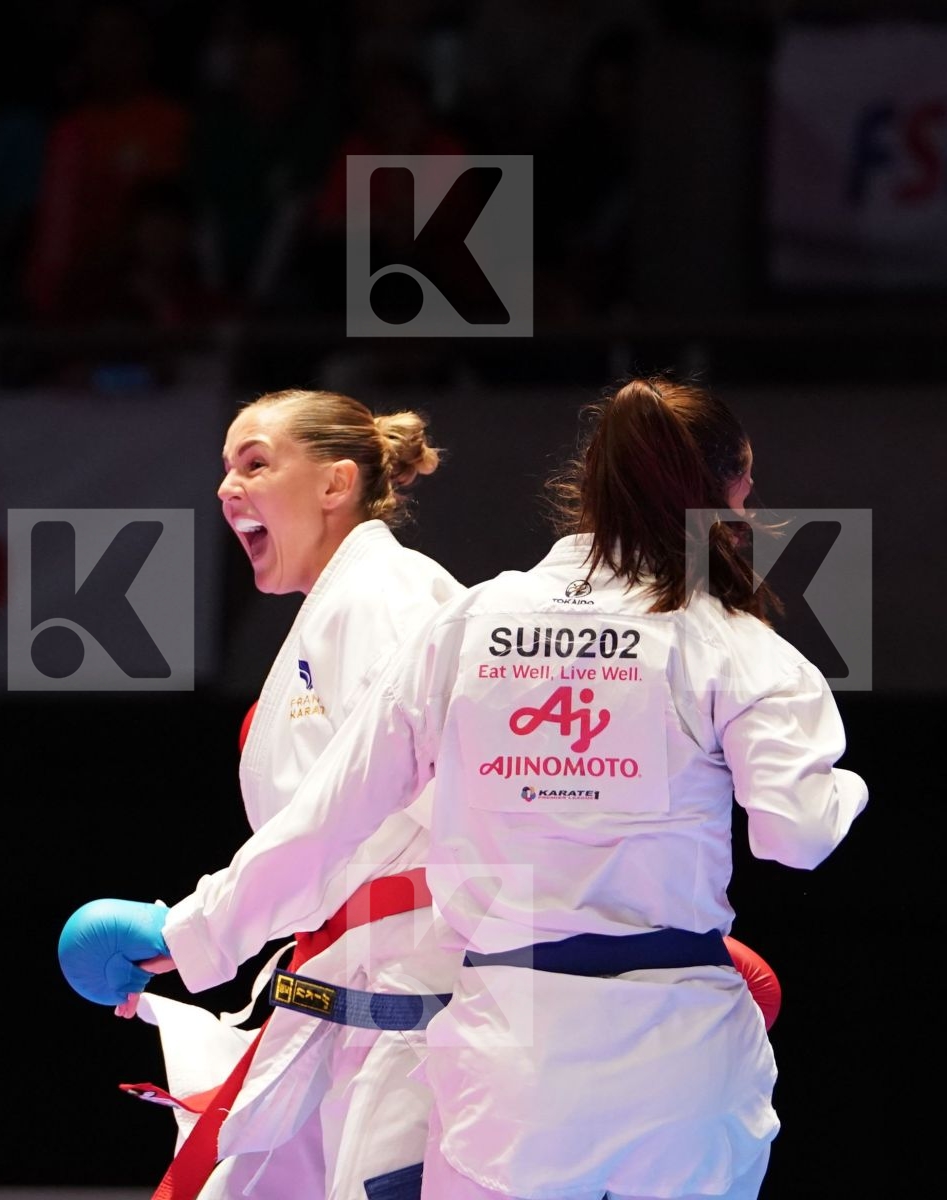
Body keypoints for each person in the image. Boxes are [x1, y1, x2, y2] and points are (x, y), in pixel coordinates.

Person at [131, 377, 868, 1199]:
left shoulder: (471, 623)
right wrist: (842, 787)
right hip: (678, 1051)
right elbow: (795, 838)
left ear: (588, 484)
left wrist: (190, 933)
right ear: (725, 498)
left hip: (512, 1059)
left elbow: (328, 821)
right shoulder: (732, 642)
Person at [60, 389, 462, 1200]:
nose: (226, 488)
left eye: (255, 463)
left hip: (414, 994)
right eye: (224, 469)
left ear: (334, 484)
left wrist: (191, 929)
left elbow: (345, 816)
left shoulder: (388, 596)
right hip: (347, 987)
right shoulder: (340, 605)